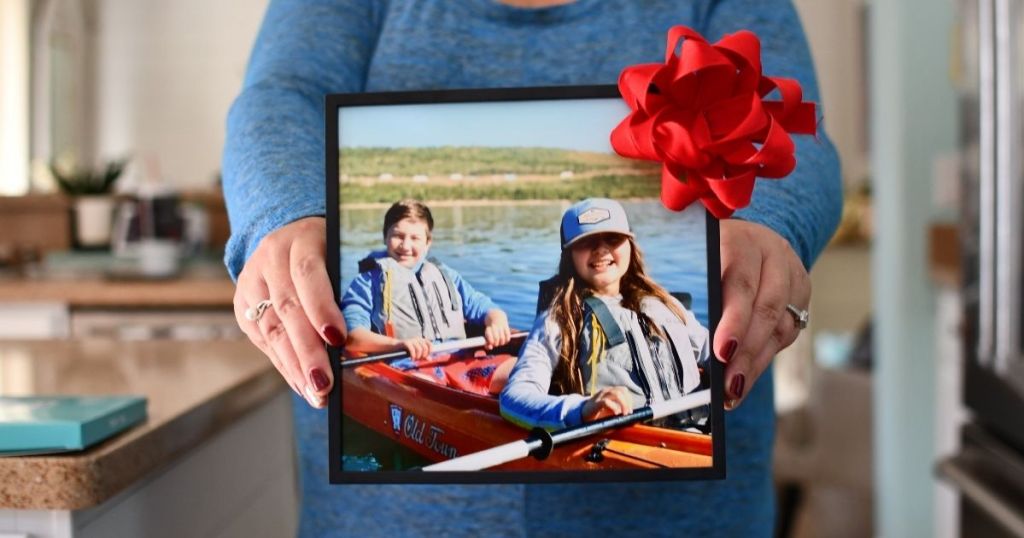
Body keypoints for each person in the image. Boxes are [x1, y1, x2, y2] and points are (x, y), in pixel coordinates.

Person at [223, 0, 841, 535]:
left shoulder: (666, 309)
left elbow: (793, 124)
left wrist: (767, 225)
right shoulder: (399, 289)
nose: (603, 256)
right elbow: (281, 98)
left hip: (687, 516)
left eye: (614, 244)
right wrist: (283, 214)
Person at [500, 198, 710, 430]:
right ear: (569, 256)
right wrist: (581, 409)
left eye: (613, 238)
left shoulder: (666, 304)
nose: (601, 249)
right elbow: (515, 396)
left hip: (700, 435)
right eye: (586, 242)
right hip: (631, 447)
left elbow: (712, 352)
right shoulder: (557, 320)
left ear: (629, 244)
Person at [341, 199, 513, 392]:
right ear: (385, 237)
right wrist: (399, 344)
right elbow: (353, 336)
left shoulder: (446, 274)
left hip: (463, 362)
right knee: (431, 391)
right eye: (398, 236)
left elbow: (485, 307)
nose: (405, 246)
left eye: (415, 238)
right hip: (410, 368)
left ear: (427, 242)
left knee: (524, 372)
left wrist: (496, 322)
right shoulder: (366, 282)